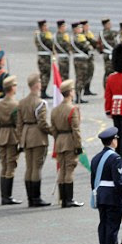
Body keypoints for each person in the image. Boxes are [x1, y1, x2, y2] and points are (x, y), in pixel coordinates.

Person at [91, 127, 122, 244]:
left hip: (101, 196)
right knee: (112, 228)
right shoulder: (116, 158)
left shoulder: (96, 158)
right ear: (113, 141)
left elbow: (93, 180)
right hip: (113, 196)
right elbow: (118, 182)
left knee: (103, 226)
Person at [16, 73, 51, 206]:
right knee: (37, 167)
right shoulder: (40, 103)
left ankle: (30, 198)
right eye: (40, 83)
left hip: (26, 135)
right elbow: (42, 123)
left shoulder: (22, 102)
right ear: (36, 85)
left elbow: (19, 124)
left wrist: (21, 139)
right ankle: (36, 198)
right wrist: (52, 131)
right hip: (37, 136)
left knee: (29, 167)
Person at [51, 79, 84, 207]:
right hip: (70, 141)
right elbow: (76, 130)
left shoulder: (55, 110)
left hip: (59, 141)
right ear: (70, 92)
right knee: (69, 169)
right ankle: (68, 199)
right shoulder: (72, 109)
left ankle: (63, 199)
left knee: (62, 169)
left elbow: (53, 129)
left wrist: (58, 139)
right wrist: (78, 146)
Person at [0, 75, 22, 205]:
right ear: (12, 88)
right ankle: (7, 196)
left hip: (1, 136)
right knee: (11, 165)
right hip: (12, 136)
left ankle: (4, 195)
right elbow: (18, 123)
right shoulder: (15, 104)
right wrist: (21, 139)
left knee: (3, 165)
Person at [69, 22, 93, 103]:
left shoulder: (74, 37)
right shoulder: (79, 37)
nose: (81, 29)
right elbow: (87, 46)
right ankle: (78, 97)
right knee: (80, 78)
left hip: (78, 59)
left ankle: (78, 96)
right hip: (81, 60)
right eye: (79, 28)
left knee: (80, 78)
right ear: (75, 29)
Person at [33, 21, 54, 97]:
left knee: (42, 74)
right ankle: (43, 91)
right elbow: (51, 44)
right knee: (46, 74)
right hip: (45, 58)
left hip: (40, 57)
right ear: (42, 27)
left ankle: (42, 91)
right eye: (45, 26)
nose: (47, 27)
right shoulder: (45, 36)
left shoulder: (37, 35)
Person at [98, 18, 118, 87]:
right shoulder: (105, 33)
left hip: (111, 54)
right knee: (108, 72)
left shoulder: (110, 32)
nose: (111, 25)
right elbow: (114, 34)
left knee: (112, 72)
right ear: (105, 25)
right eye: (109, 24)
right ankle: (106, 88)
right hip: (108, 55)